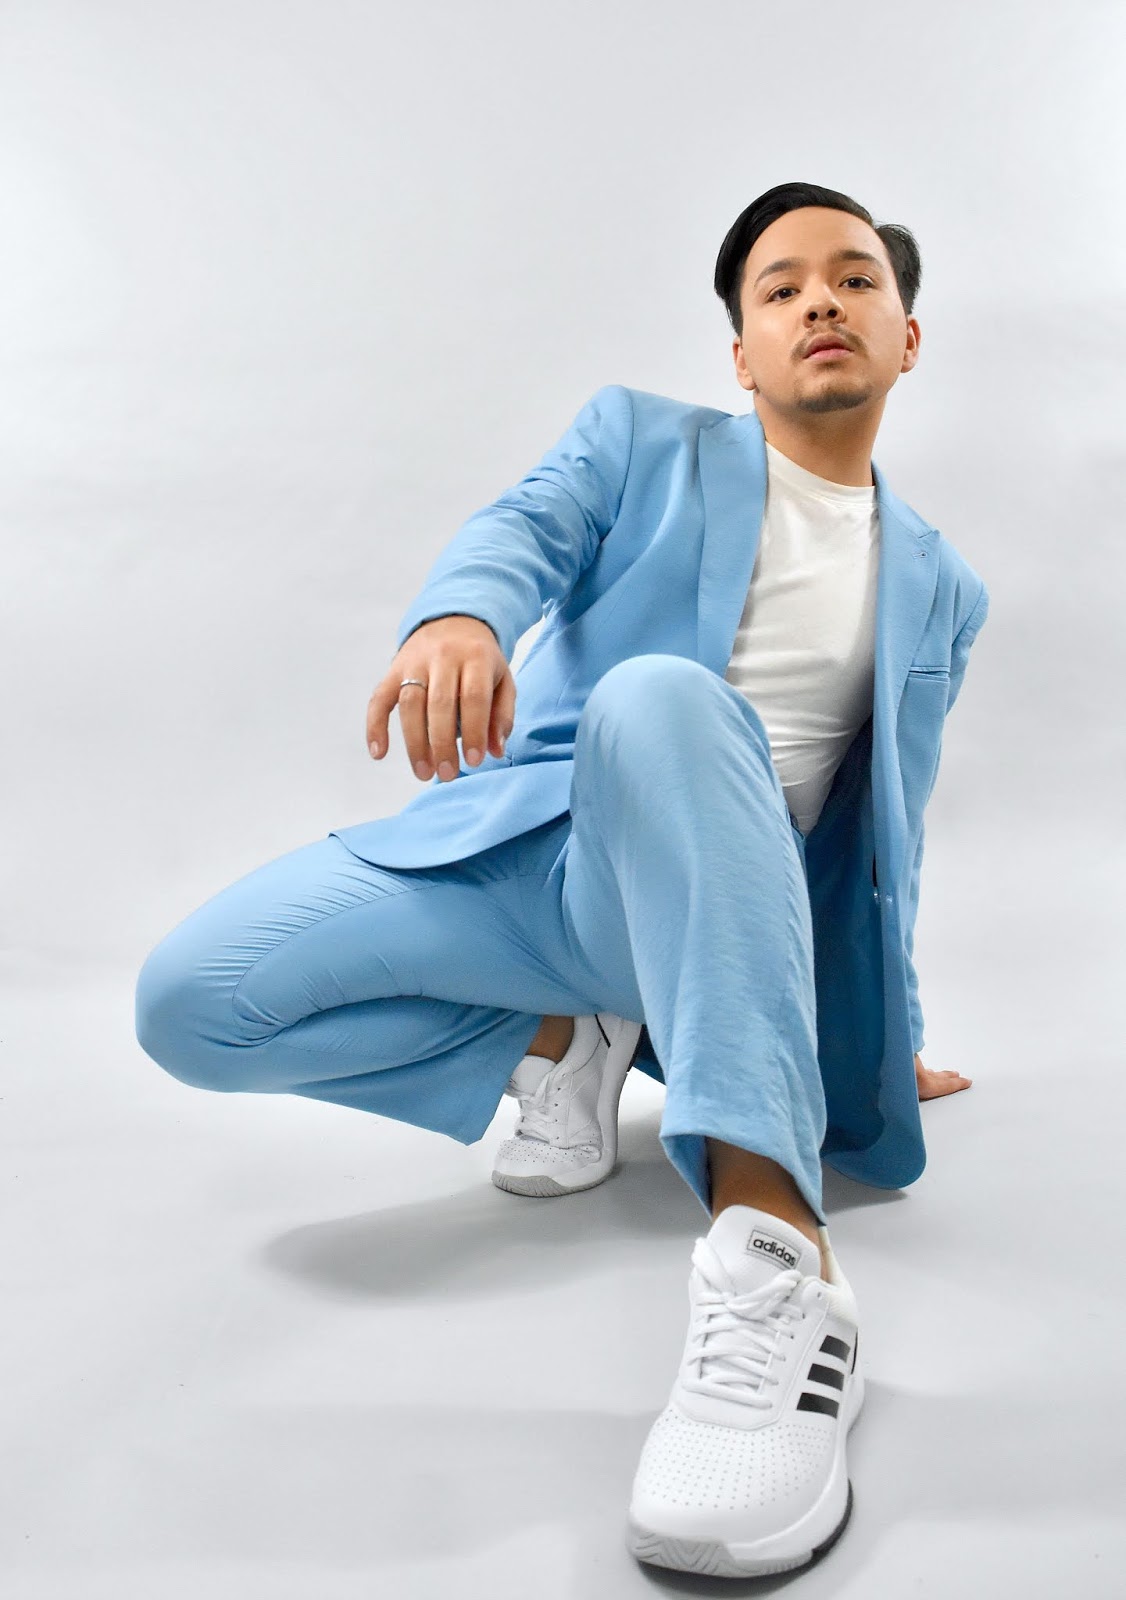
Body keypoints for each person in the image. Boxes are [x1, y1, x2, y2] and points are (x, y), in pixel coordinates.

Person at [134, 180, 990, 1578]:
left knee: (664, 697)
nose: (819, 303)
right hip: (547, 864)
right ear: (741, 354)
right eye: (779, 290)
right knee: (192, 1004)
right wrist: (462, 615)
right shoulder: (640, 441)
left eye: (853, 279)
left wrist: (887, 1030)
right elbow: (521, 527)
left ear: (907, 336)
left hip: (725, 917)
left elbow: (895, 826)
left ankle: (777, 1269)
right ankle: (558, 1040)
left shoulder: (944, 587)